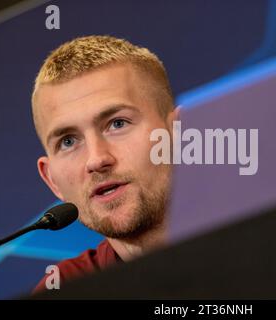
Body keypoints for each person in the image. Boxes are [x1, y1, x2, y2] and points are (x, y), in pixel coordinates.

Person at [31, 35, 178, 293]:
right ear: (52, 179)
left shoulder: (264, 235)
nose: (97, 159)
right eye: (67, 142)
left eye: (117, 124)